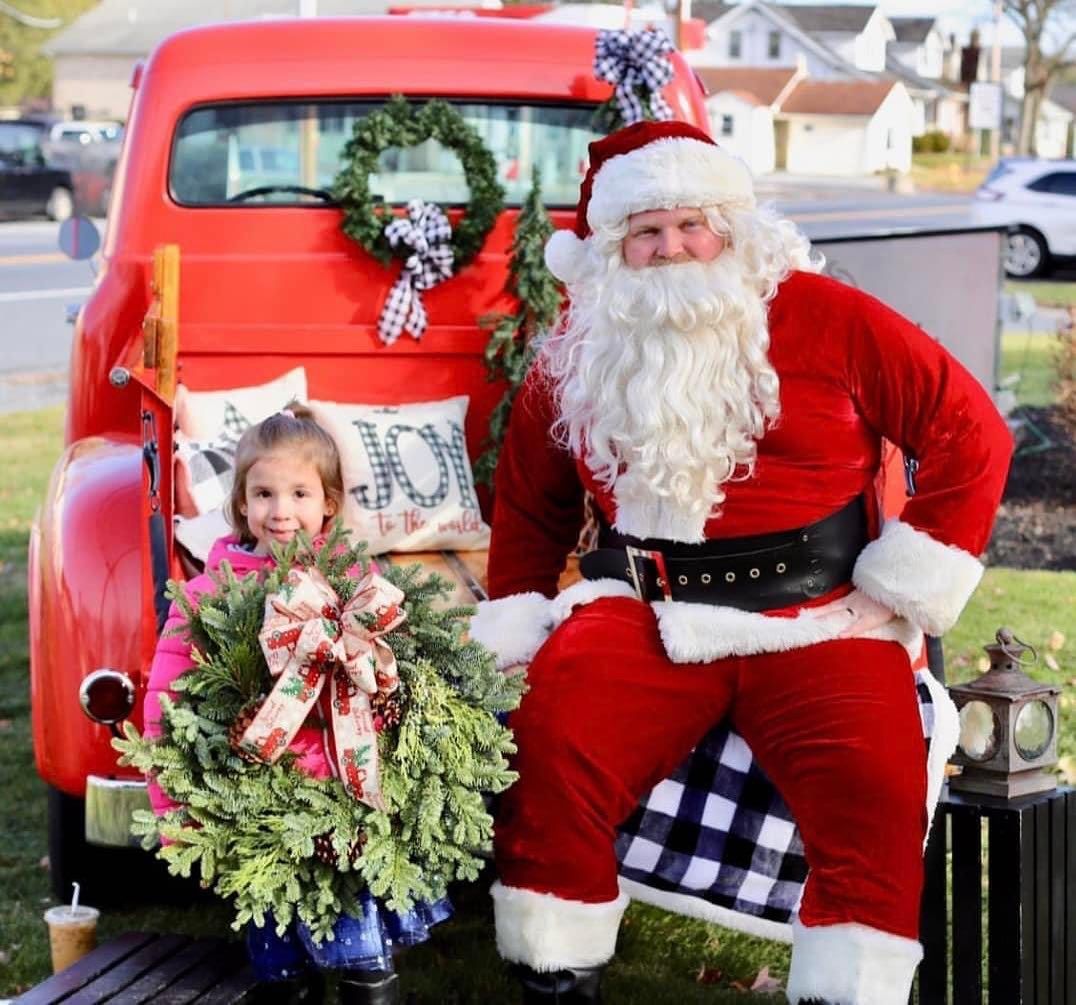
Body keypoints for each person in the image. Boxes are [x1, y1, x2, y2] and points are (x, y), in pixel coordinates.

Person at [469, 121, 1013, 1005]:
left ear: (733, 225)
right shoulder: (582, 340)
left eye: (691, 224)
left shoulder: (829, 317)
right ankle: (555, 970)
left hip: (819, 617)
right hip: (643, 612)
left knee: (873, 783)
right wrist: (519, 615)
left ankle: (848, 991)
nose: (672, 248)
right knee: (550, 740)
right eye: (647, 232)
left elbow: (969, 432)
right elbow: (531, 498)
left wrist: (903, 581)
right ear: (613, 249)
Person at [143, 405, 449, 1005]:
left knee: (362, 953)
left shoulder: (357, 587)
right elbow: (165, 695)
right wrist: (173, 806)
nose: (280, 511)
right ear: (241, 502)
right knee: (278, 955)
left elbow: (395, 672)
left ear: (328, 504)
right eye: (263, 493)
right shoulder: (212, 590)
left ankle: (369, 985)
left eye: (299, 493)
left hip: (344, 799)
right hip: (257, 800)